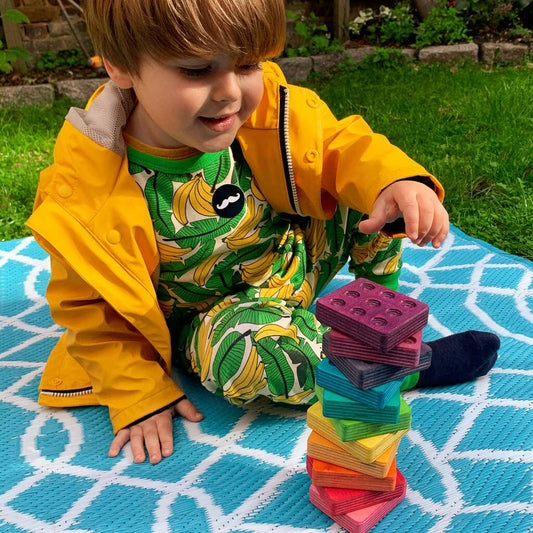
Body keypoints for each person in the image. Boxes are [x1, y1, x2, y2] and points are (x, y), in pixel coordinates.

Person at [27, 0, 498, 466]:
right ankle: (395, 367)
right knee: (244, 358)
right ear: (121, 65)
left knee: (371, 191)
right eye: (196, 70)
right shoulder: (87, 186)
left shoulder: (266, 106)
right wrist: (138, 393)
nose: (230, 92)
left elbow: (338, 147)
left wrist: (398, 181)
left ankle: (378, 316)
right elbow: (90, 311)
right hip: (215, 315)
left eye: (248, 63)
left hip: (295, 256)